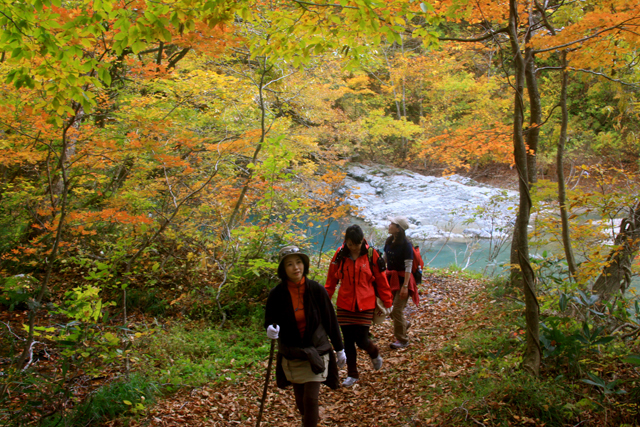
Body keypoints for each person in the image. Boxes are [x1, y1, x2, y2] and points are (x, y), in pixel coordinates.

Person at [264, 245, 346, 427]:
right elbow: (270, 319)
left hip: (317, 351)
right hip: (293, 353)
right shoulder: (276, 294)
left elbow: (330, 319)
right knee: (301, 400)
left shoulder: (316, 290)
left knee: (310, 398)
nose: (296, 268)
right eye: (290, 264)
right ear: (283, 269)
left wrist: (340, 349)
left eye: (299, 262)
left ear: (304, 265)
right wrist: (270, 328)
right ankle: (308, 422)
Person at [325, 224, 394, 387]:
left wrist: (388, 301)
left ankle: (374, 353)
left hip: (365, 302)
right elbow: (331, 279)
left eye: (356, 244)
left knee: (362, 339)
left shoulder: (371, 254)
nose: (353, 248)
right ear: (346, 242)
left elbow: (381, 279)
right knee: (347, 340)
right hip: (344, 303)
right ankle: (352, 374)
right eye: (350, 244)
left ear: (362, 241)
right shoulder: (340, 254)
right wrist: (325, 299)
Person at [384, 216, 419, 349]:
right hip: (391, 280)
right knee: (390, 308)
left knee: (397, 309)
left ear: (398, 229)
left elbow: (408, 266)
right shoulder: (389, 241)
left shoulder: (406, 244)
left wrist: (405, 286)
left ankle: (402, 340)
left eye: (392, 223)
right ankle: (403, 324)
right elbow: (385, 259)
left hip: (404, 280)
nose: (389, 225)